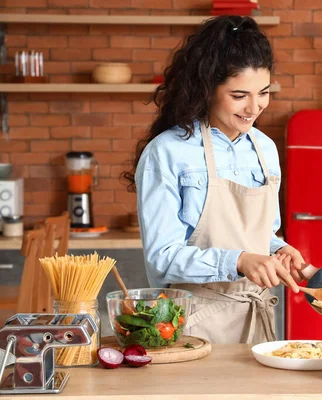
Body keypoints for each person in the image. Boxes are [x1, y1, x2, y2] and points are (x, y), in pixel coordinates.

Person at [123, 15, 306, 345]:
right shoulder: (167, 152)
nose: (254, 107)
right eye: (239, 95)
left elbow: (260, 236)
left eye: (263, 92)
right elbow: (162, 257)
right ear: (207, 89)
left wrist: (278, 251)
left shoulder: (264, 149)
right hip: (191, 326)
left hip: (257, 323)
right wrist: (238, 261)